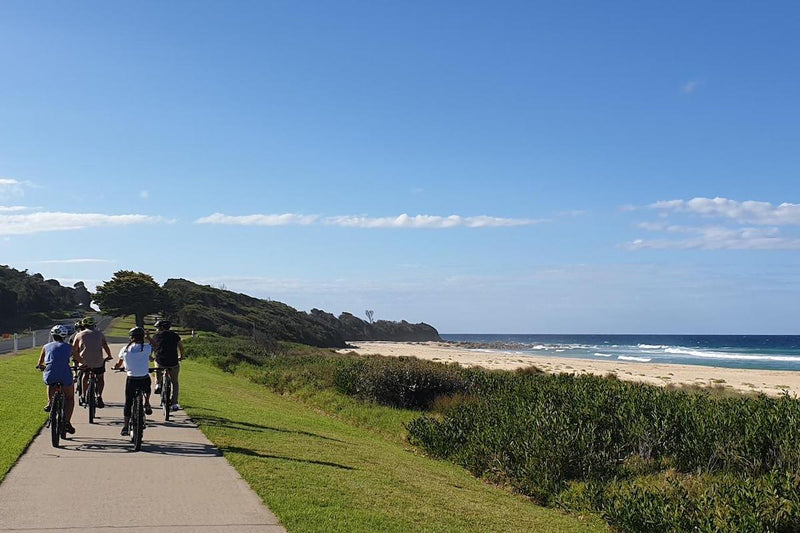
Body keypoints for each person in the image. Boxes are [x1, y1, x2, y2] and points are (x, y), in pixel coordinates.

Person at [36, 324, 83, 434]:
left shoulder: (46, 346)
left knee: (50, 383)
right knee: (70, 398)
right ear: (64, 336)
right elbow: (78, 358)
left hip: (50, 373)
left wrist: (41, 366)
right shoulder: (69, 347)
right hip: (64, 374)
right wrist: (84, 365)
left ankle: (50, 402)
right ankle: (67, 421)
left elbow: (40, 362)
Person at [113, 327, 153, 436]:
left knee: (128, 402)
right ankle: (147, 401)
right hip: (144, 378)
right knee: (147, 388)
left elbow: (118, 364)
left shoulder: (125, 349)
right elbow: (155, 345)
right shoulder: (147, 348)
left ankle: (125, 426)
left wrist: (115, 367)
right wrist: (149, 337)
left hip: (132, 379)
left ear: (131, 337)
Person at [72, 316, 112, 408]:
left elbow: (74, 350)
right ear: (94, 325)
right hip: (98, 361)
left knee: (85, 376)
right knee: (100, 377)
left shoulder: (79, 335)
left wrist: (79, 360)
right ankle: (99, 396)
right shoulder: (100, 334)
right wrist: (109, 356)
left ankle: (83, 395)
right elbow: (105, 345)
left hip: (85, 361)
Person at [151, 319, 184, 411]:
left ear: (161, 328)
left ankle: (158, 383)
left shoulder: (155, 336)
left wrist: (150, 356)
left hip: (161, 361)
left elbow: (152, 347)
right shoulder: (175, 336)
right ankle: (174, 403)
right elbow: (181, 347)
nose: (156, 330)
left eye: (157, 328)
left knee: (156, 364)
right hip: (173, 362)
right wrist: (181, 356)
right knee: (175, 382)